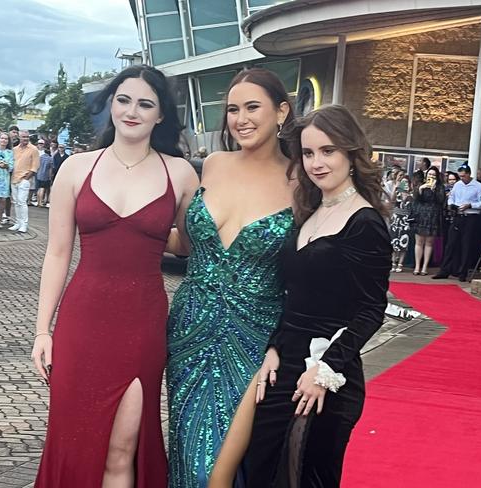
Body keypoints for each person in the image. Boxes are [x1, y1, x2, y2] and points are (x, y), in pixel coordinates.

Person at [31, 65, 198, 487]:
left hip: (142, 323)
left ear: (160, 115)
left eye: (145, 104)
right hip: (82, 321)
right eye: (124, 100)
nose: (132, 112)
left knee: (123, 447)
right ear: (111, 104)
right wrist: (42, 331)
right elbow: (57, 252)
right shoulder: (76, 168)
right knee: (75, 442)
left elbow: (191, 245)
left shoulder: (179, 174)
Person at [244, 105, 391, 488]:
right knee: (260, 470)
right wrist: (274, 345)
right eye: (308, 153)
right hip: (283, 367)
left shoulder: (366, 223)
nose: (316, 163)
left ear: (351, 152)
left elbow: (372, 309)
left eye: (328, 151)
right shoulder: (307, 211)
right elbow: (293, 296)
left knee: (305, 479)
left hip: (327, 379)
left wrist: (324, 373)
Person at [166, 68, 296, 488]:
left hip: (256, 336)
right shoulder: (212, 165)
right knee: (189, 453)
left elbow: (315, 267)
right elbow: (184, 242)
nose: (240, 119)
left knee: (224, 467)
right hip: (189, 328)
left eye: (252, 107)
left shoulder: (303, 180)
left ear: (281, 111)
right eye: (232, 110)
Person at [433, 165, 481, 281]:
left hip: (470, 216)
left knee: (466, 245)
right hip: (458, 216)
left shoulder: (478, 186)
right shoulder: (457, 185)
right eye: (460, 176)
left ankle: (463, 272)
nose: (462, 178)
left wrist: (470, 205)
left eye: (463, 176)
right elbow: (452, 197)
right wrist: (451, 204)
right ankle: (445, 270)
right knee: (451, 244)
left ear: (468, 174)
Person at [412, 166, 446, 275]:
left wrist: (434, 189)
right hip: (421, 215)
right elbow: (416, 199)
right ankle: (417, 266)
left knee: (429, 242)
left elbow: (441, 200)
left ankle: (424, 267)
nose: (431, 176)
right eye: (429, 174)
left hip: (433, 215)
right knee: (419, 241)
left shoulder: (440, 187)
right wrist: (421, 189)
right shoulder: (420, 185)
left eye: (433, 175)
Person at [10, 131, 39, 233]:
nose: (25, 139)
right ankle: (18, 222)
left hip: (24, 179)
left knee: (22, 202)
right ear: (19, 137)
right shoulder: (14, 149)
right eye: (23, 137)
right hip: (14, 179)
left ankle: (24, 224)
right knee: (16, 202)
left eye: (27, 137)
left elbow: (35, 167)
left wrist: (26, 178)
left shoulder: (34, 149)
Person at [388, 171, 412, 272]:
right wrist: (396, 187)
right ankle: (393, 262)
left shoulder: (411, 194)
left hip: (405, 219)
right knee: (394, 241)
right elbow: (392, 200)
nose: (404, 183)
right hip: (396, 217)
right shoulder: (397, 191)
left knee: (403, 242)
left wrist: (407, 195)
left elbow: (412, 207)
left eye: (406, 182)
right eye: (403, 181)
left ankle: (400, 263)